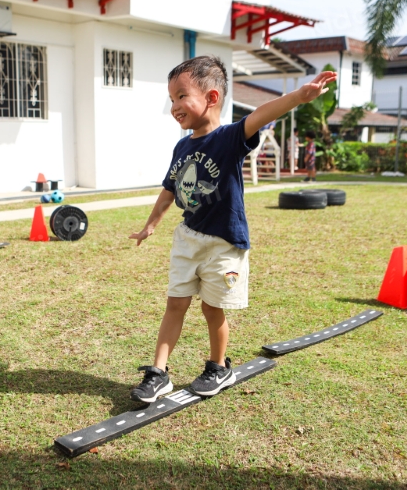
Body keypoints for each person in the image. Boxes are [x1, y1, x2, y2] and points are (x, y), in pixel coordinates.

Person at [128, 56, 336, 402]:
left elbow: (261, 115)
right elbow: (170, 189)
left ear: (211, 97)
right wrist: (150, 225)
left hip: (224, 242)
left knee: (212, 308)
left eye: (181, 96)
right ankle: (159, 372)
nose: (175, 107)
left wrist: (298, 97)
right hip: (188, 239)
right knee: (174, 304)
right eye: (171, 100)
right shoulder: (182, 146)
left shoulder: (229, 138)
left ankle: (218, 366)